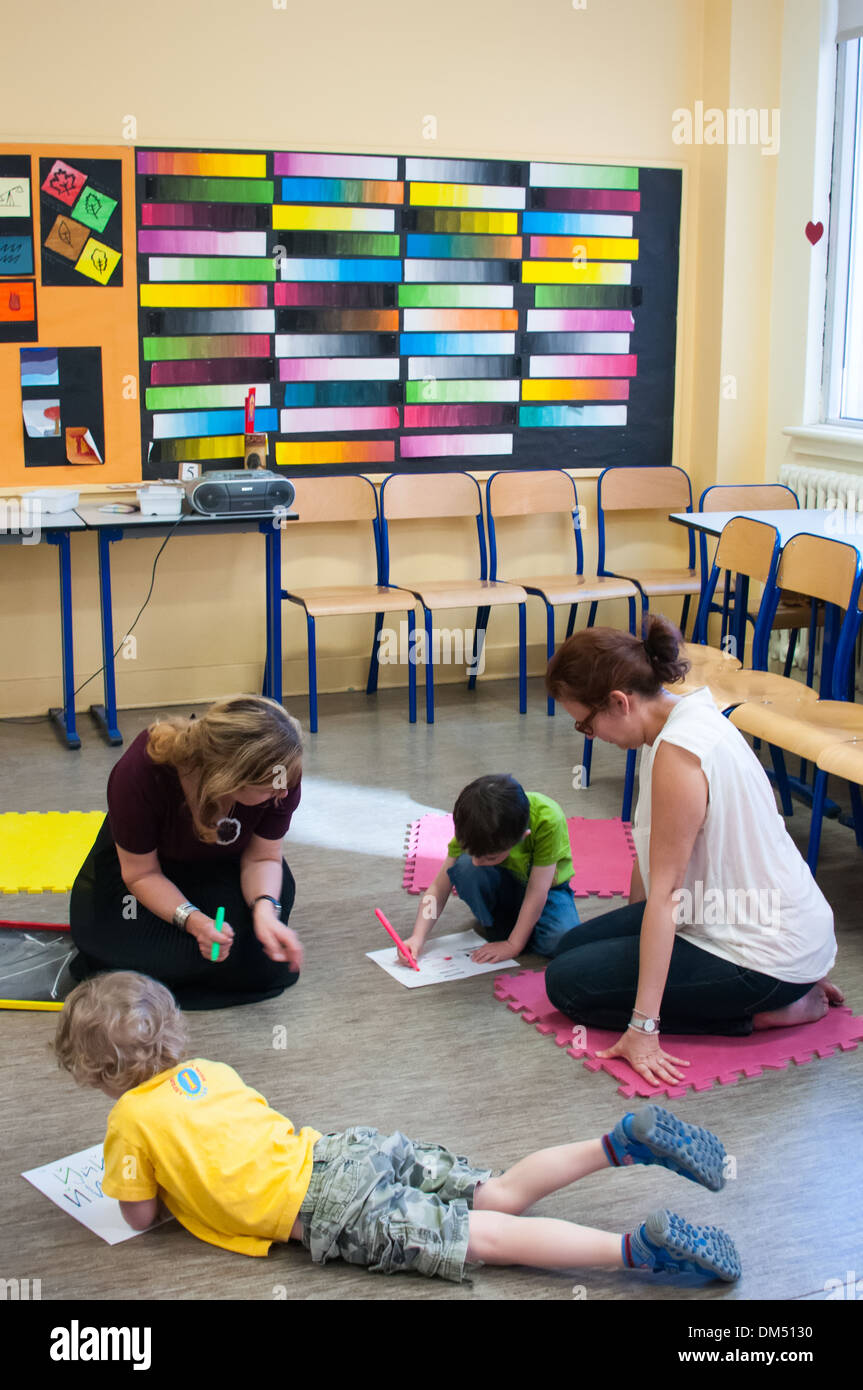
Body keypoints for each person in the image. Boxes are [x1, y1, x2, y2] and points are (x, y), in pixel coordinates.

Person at [54, 971, 742, 1285]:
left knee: (490, 1239)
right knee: (496, 1192)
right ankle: (617, 1143)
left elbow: (140, 1217)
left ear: (96, 1071)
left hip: (326, 1207)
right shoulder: (208, 1068)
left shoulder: (129, 1121)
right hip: (341, 1150)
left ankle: (637, 1252)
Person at [543, 616, 843, 1088]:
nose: (589, 734)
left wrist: (643, 1027)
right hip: (762, 922)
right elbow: (650, 854)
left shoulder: (679, 755)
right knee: (571, 949)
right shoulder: (678, 717)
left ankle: (775, 1008)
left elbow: (665, 898)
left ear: (619, 702)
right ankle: (787, 984)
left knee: (568, 986)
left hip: (760, 954)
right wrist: (631, 947)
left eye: (584, 722)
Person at [68, 694, 304, 1010]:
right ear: (229, 778)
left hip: (226, 864)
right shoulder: (139, 772)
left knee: (259, 955)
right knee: (126, 953)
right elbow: (141, 873)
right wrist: (193, 921)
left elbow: (263, 857)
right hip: (146, 875)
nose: (284, 792)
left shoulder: (281, 775)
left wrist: (265, 908)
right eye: (269, 787)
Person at [400, 774, 580, 966]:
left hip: (547, 891)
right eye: (473, 853)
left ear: (522, 837)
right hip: (503, 884)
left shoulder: (547, 820)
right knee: (465, 867)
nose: (477, 862)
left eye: (490, 857)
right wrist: (418, 937)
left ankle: (516, 931)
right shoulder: (473, 826)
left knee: (563, 942)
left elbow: (537, 891)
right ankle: (511, 926)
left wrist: (513, 945)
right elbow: (438, 888)